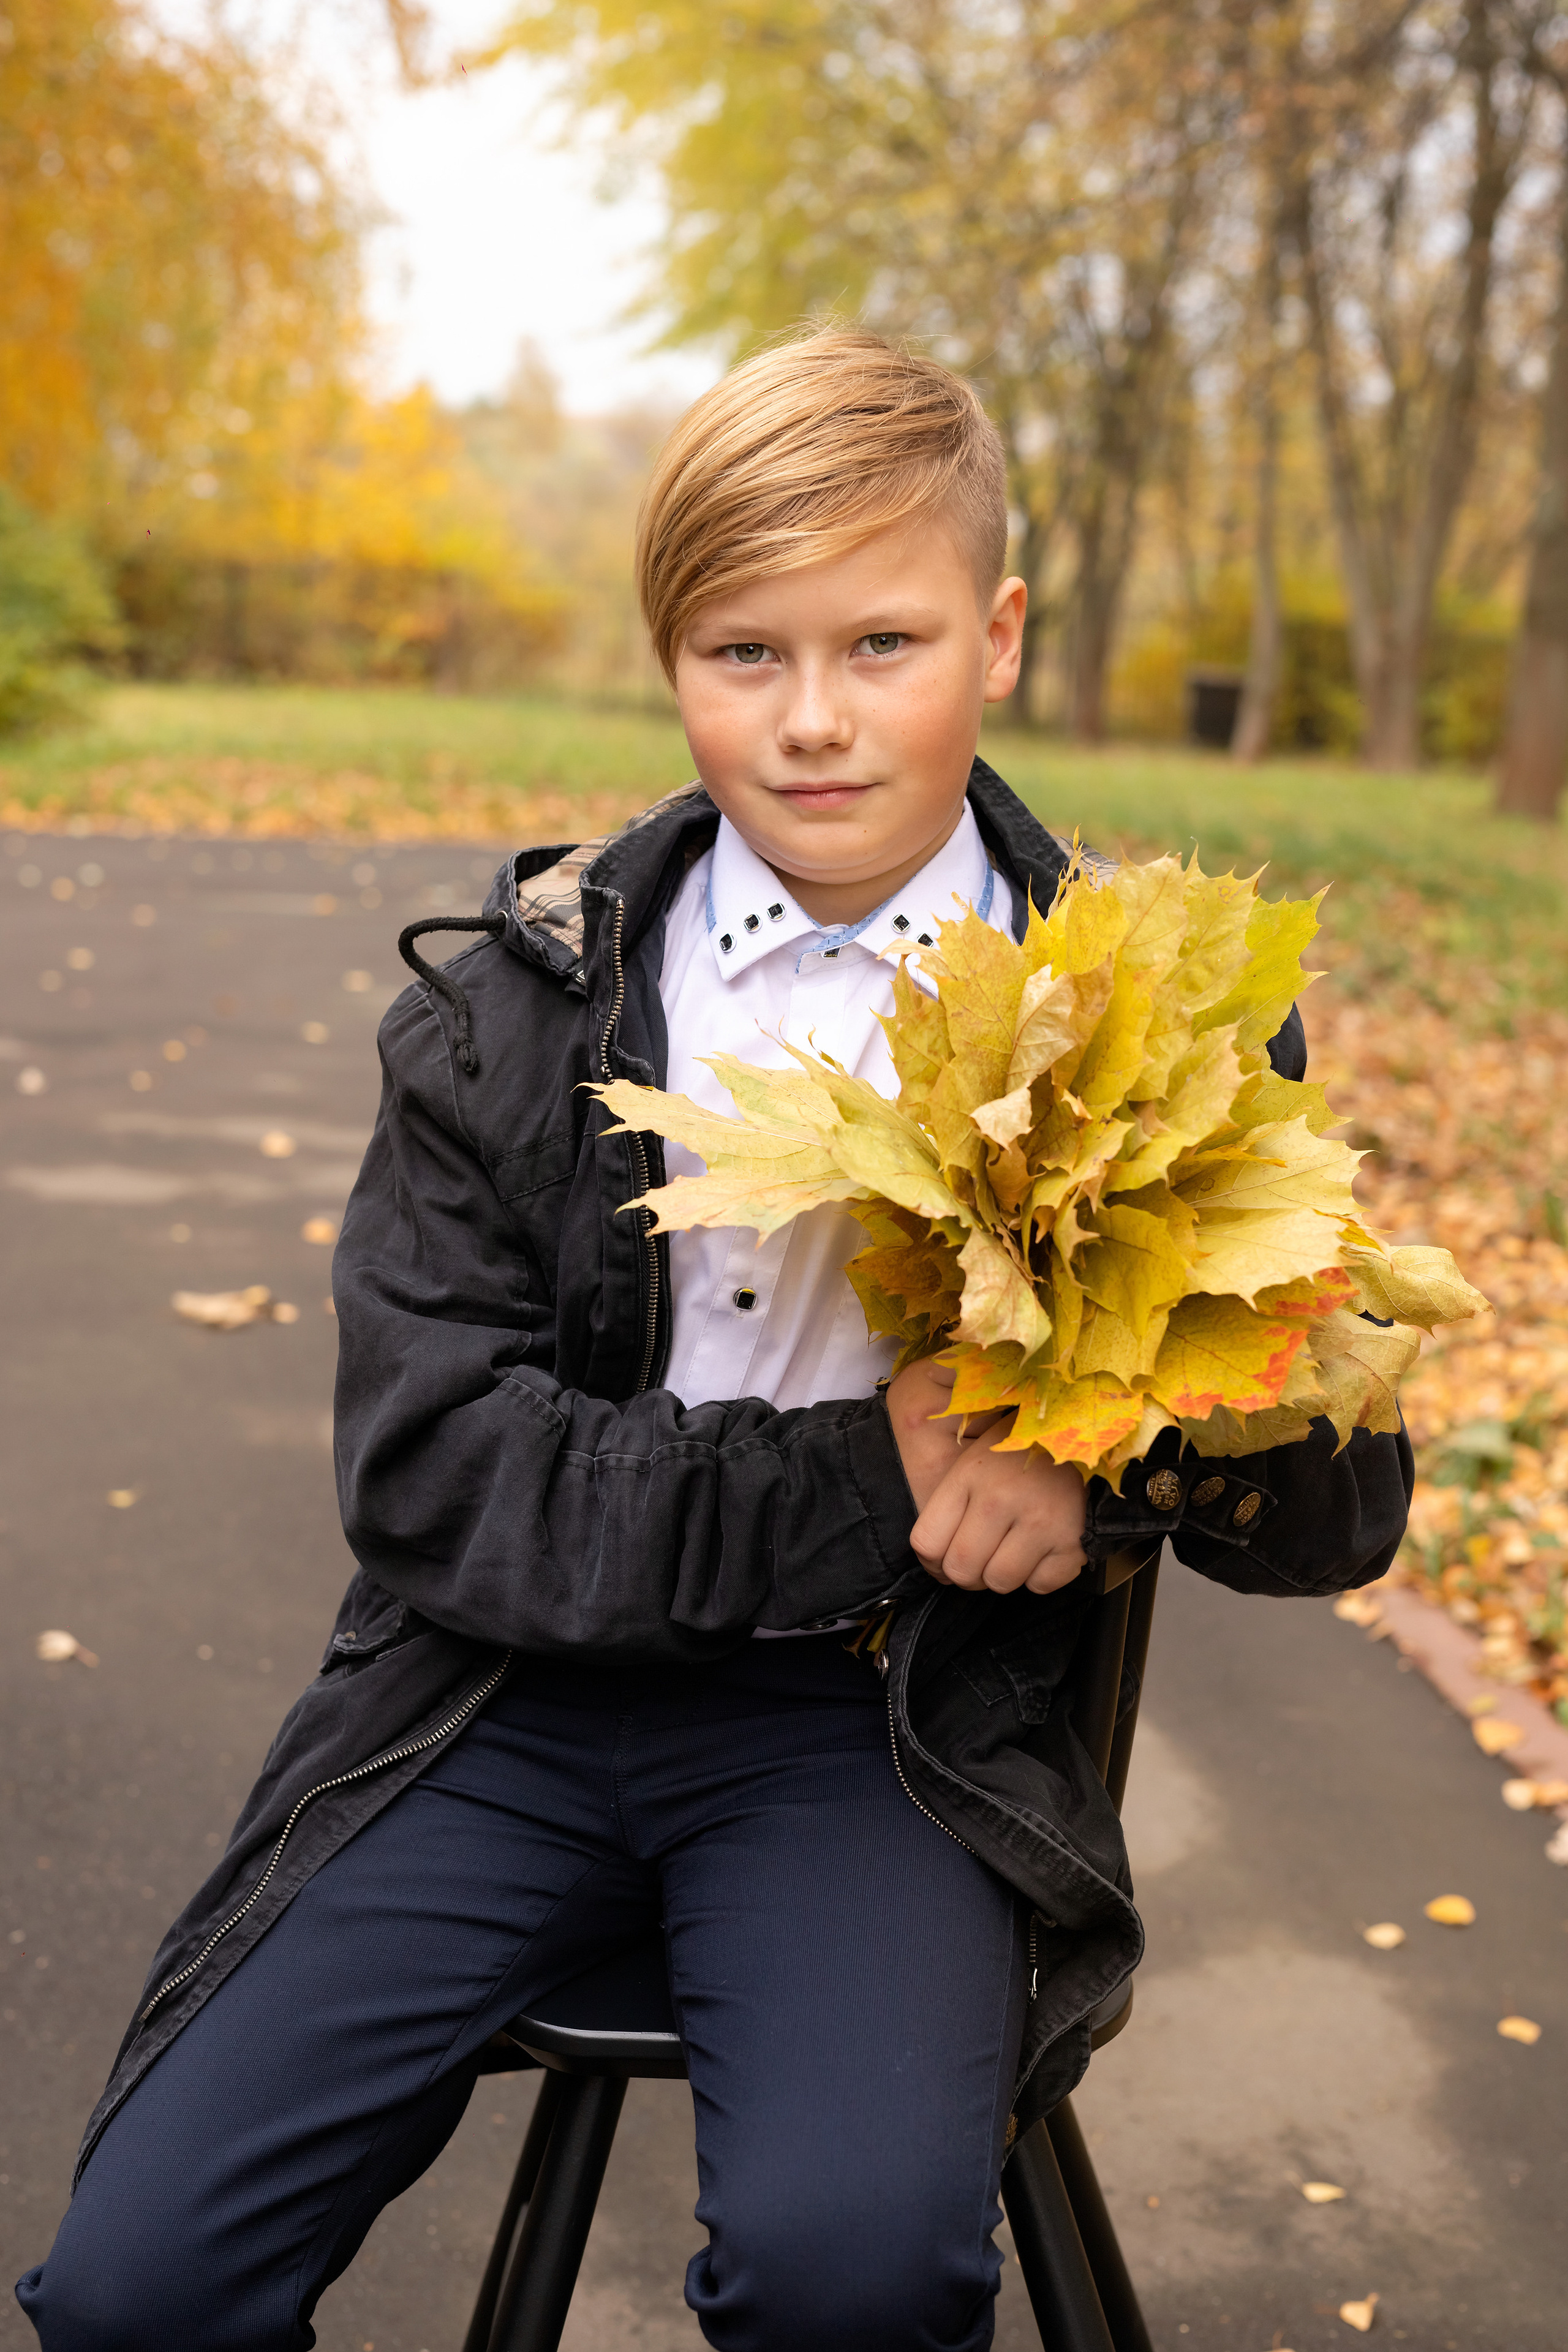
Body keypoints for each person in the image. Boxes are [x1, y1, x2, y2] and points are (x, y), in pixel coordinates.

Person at [18, 328, 1412, 2352]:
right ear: (669, 656)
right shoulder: (514, 1005)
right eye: (744, 653)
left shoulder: (1159, 1015)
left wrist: (1098, 1433)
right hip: (495, 1705)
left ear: (1000, 634)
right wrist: (879, 1475)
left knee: (853, 2277)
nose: (817, 720)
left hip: (878, 1734)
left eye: (884, 644)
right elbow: (431, 1472)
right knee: (139, 2291)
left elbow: (1333, 1512)